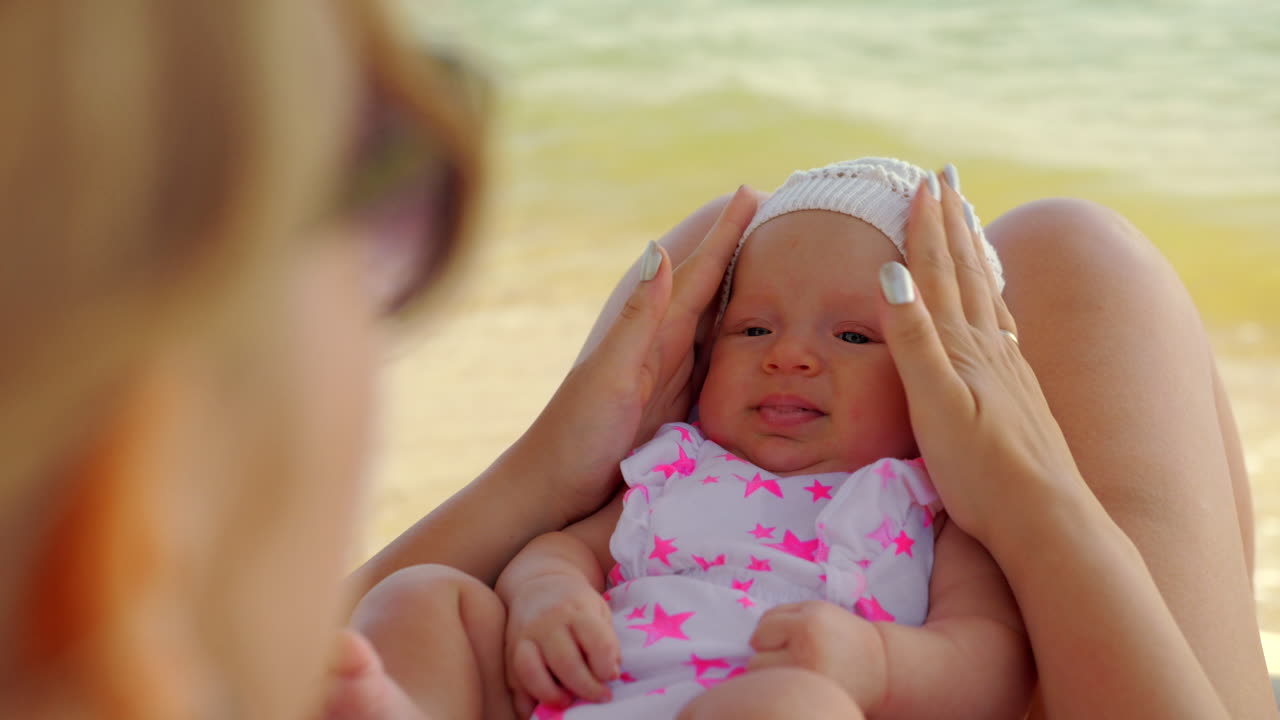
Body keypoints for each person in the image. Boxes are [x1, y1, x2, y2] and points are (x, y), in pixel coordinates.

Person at [1, 1, 1272, 720]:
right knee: (1077, 257)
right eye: (389, 158)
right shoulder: (740, 483)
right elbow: (990, 658)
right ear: (121, 521)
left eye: (849, 338)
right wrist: (1037, 507)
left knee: (419, 607)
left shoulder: (888, 502)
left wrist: (542, 477)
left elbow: (969, 646)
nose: (783, 358)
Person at [478, 158, 1029, 719]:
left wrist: (878, 665)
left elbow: (993, 669)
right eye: (754, 329)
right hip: (593, 699)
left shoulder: (934, 508)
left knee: (795, 705)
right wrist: (550, 592)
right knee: (442, 600)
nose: (787, 355)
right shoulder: (678, 467)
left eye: (853, 336)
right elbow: (563, 549)